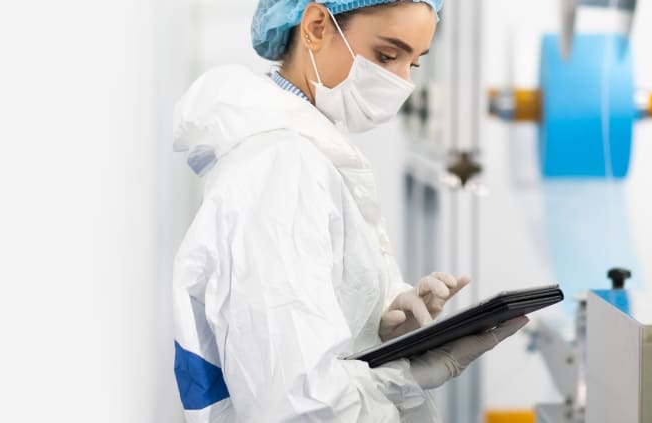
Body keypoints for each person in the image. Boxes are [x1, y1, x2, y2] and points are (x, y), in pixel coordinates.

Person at [170, 1, 527, 421]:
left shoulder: (304, 153)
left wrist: (380, 328)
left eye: (413, 63)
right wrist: (407, 376)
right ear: (317, 27)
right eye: (387, 56)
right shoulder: (281, 167)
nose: (401, 83)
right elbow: (299, 405)